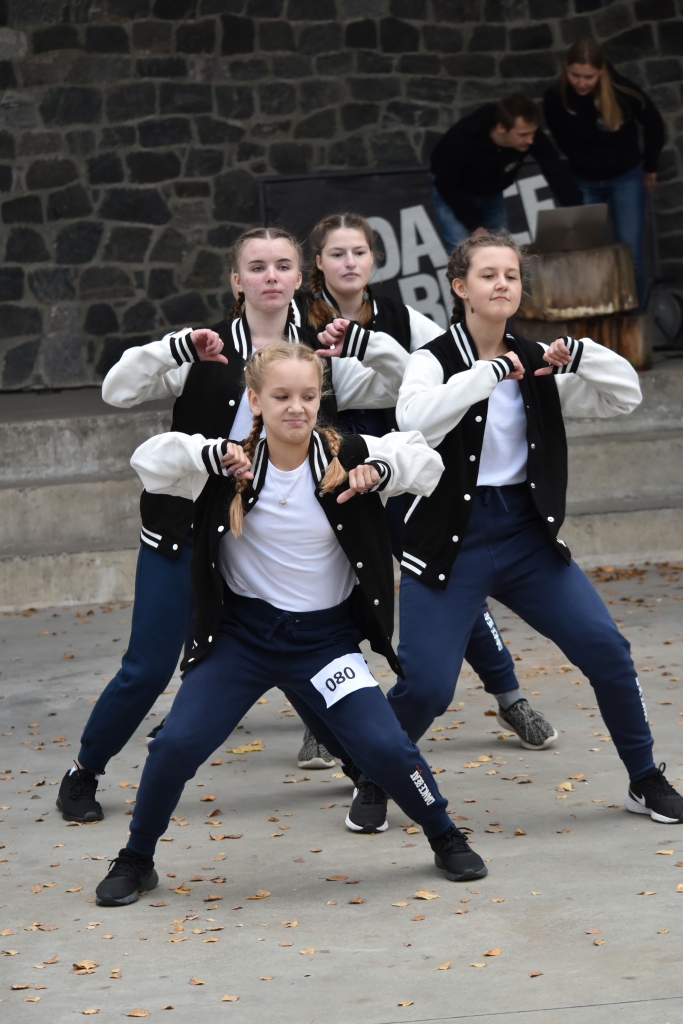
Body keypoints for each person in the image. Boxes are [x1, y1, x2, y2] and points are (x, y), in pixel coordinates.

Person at [93, 342, 489, 906]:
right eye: (280, 396)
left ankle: (444, 833)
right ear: (254, 400)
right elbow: (149, 461)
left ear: (320, 398)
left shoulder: (343, 453)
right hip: (242, 640)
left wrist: (380, 468)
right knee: (175, 744)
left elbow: (426, 462)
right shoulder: (229, 463)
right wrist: (208, 454)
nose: (296, 407)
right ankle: (136, 857)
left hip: (324, 643)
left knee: (389, 748)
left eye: (308, 395)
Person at [56, 226, 412, 824]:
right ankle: (85, 769)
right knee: (147, 663)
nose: (270, 276)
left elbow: (406, 386)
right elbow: (116, 390)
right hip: (186, 532)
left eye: (282, 265)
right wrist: (174, 350)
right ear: (236, 280)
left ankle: (367, 776)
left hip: (273, 542)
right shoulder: (204, 346)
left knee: (308, 661)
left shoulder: (320, 352)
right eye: (257, 266)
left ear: (302, 277)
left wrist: (365, 343)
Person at [379, 230, 683, 830]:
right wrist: (488, 373)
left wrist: (583, 353)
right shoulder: (431, 358)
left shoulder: (538, 358)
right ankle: (375, 771)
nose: (502, 284)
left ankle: (644, 777)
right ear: (460, 287)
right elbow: (415, 420)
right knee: (428, 689)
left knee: (608, 651)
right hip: (449, 541)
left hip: (525, 536)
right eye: (488, 275)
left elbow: (623, 396)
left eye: (511, 275)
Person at [294, 212, 557, 825]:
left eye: (360, 251)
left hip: (402, 448)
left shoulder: (403, 319)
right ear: (320, 265)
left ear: (374, 260)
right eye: (338, 254)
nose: (350, 263)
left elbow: (441, 372)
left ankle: (508, 695)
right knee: (331, 590)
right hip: (327, 448)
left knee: (437, 571)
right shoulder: (298, 322)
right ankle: (322, 717)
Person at [544, 39, 665, 309]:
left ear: (601, 71)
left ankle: (636, 318)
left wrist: (650, 165)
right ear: (566, 68)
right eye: (575, 75)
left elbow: (655, 124)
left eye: (588, 77)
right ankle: (595, 315)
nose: (582, 82)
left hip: (625, 176)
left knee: (629, 250)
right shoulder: (556, 97)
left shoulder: (622, 91)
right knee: (587, 250)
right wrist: (580, 160)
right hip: (584, 179)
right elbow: (559, 137)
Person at [430, 93, 582, 253]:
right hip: (453, 190)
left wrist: (575, 212)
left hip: (491, 192)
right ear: (501, 127)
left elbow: (554, 168)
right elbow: (446, 184)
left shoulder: (530, 136)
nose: (530, 140)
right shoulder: (463, 140)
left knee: (501, 250)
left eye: (533, 133)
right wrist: (475, 227)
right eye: (523, 135)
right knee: (463, 254)